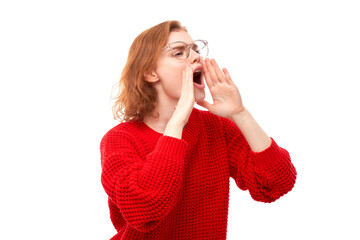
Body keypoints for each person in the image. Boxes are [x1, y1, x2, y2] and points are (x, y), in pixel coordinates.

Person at [100, 20, 297, 240]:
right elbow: (145, 209)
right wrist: (176, 124)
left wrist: (240, 114)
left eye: (195, 49)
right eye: (178, 52)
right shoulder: (119, 139)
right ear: (150, 73)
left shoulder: (217, 128)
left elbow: (278, 182)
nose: (196, 57)